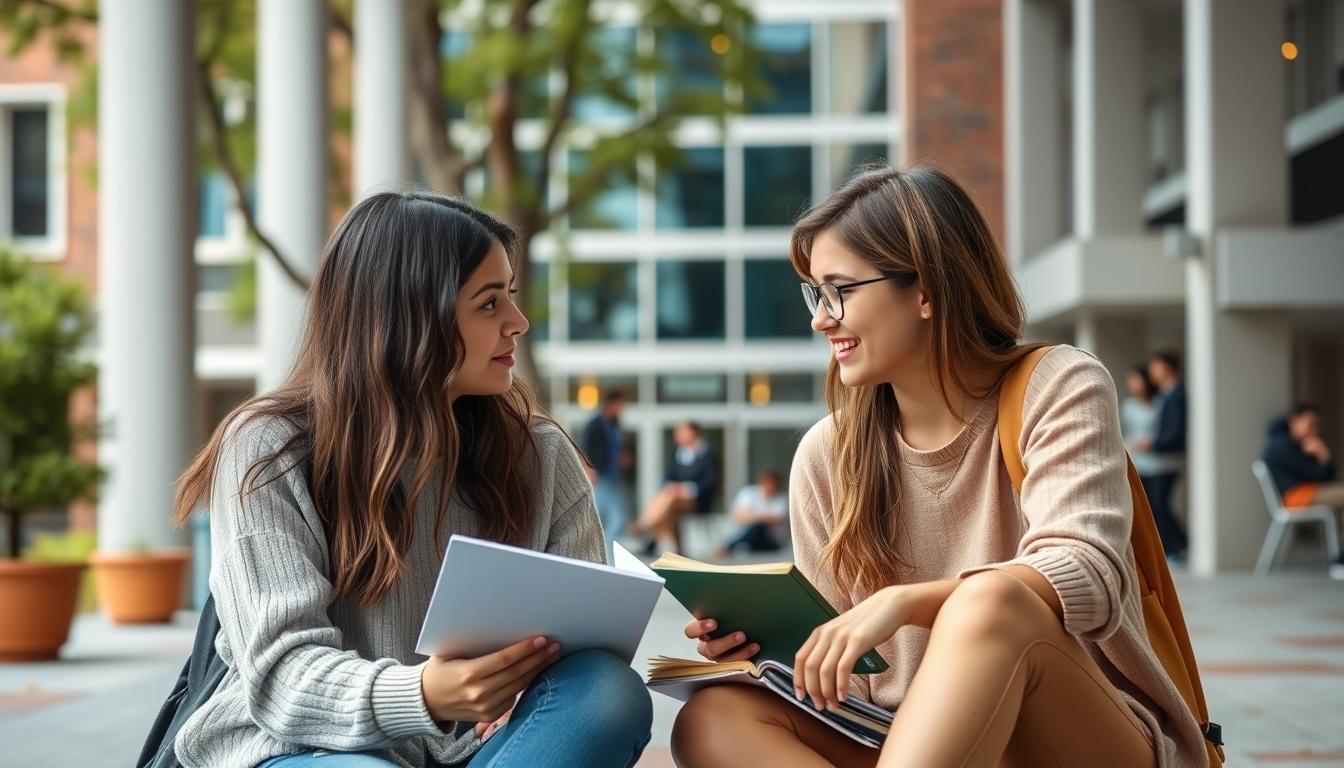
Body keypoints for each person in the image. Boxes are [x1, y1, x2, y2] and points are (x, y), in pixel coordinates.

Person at [669, 165, 1207, 768]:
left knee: (992, 603)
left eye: (840, 290)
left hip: (1074, 734)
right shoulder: (827, 454)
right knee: (712, 718)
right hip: (901, 739)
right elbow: (847, 682)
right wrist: (769, 651)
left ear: (924, 290)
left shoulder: (1057, 385)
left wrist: (906, 603)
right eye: (815, 294)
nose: (821, 318)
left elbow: (1086, 572)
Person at [170, 192, 652, 768]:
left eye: (511, 298)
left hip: (473, 751)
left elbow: (583, 648)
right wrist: (425, 694)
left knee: (606, 690)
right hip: (301, 749)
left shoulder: (539, 453)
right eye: (489, 304)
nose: (517, 324)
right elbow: (281, 676)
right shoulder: (269, 448)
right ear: (410, 317)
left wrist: (523, 683)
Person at [1261, 403, 1343, 579]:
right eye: (1310, 424)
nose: (1314, 430)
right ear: (1294, 422)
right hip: (1297, 496)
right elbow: (1321, 476)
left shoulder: (1292, 443)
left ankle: (1340, 558)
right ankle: (1340, 560)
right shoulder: (1283, 446)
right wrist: (1323, 454)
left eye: (1316, 425)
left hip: (1307, 492)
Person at [638, 421, 717, 555]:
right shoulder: (679, 453)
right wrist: (673, 487)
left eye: (682, 431)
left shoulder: (707, 454)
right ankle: (678, 551)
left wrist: (685, 488)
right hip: (676, 499)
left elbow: (711, 482)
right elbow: (668, 476)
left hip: (699, 500)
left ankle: (647, 528)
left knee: (670, 500)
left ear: (693, 433)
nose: (678, 435)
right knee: (667, 504)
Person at [1140, 351, 1189, 559]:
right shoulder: (1164, 395)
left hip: (1168, 461)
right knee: (1157, 504)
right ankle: (1177, 546)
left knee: (1160, 504)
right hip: (1160, 460)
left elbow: (1176, 431)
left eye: (1155, 366)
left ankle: (1179, 546)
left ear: (1168, 368)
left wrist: (1153, 443)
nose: (1152, 372)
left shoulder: (1176, 394)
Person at [581, 389, 630, 559]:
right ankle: (605, 556)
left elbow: (618, 446)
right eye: (620, 404)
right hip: (600, 476)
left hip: (614, 476)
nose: (621, 408)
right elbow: (585, 447)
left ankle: (608, 555)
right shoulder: (595, 424)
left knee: (613, 517)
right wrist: (589, 468)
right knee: (604, 516)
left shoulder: (615, 424)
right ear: (611, 403)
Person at [714, 468, 789, 558]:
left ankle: (729, 547)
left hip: (771, 542)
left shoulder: (782, 499)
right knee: (756, 528)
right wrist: (762, 517)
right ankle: (733, 547)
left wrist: (752, 516)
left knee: (759, 527)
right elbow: (737, 516)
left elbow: (775, 519)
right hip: (749, 539)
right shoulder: (748, 493)